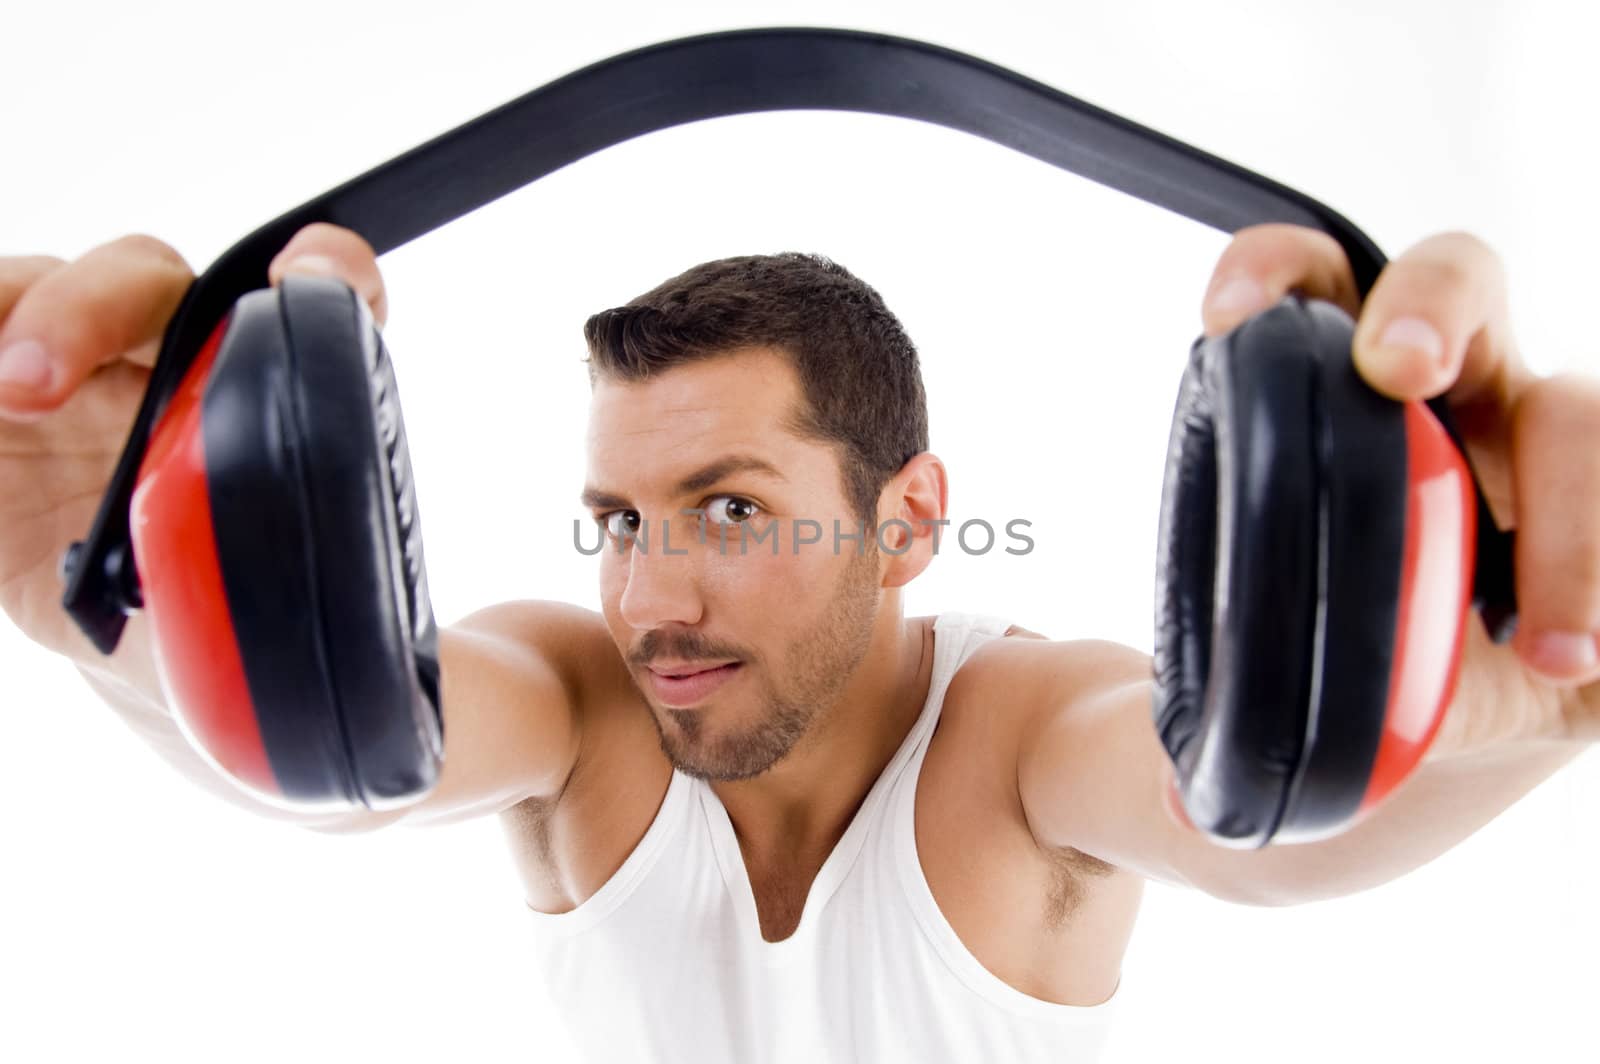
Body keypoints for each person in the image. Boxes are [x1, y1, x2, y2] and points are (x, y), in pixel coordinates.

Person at [0, 222, 1594, 1062]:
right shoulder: (581, 706)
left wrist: (1525, 695)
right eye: (619, 519)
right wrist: (111, 584)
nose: (651, 599)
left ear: (908, 524)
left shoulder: (1024, 735)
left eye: (733, 509)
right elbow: (345, 743)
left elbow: (1244, 810)